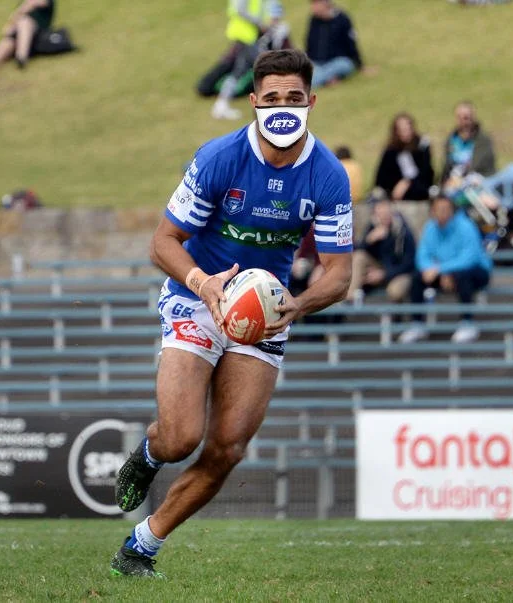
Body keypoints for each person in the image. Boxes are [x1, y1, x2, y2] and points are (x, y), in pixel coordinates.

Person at [110, 49, 354, 578]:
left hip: (265, 314)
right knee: (180, 437)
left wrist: (300, 303)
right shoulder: (220, 157)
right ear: (253, 103)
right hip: (197, 296)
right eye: (272, 99)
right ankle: (150, 454)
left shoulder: (328, 175)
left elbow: (339, 273)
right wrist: (203, 284)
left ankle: (140, 548)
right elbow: (163, 241)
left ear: (312, 102)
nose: (283, 107)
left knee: (228, 447)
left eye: (294, 98)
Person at [399, 195, 492, 344]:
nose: (442, 212)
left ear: (452, 210)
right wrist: (433, 270)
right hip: (444, 271)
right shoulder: (430, 227)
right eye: (438, 209)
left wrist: (440, 269)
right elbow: (423, 255)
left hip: (476, 271)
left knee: (463, 276)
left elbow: (470, 258)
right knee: (417, 277)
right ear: (432, 212)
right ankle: (417, 324)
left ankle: (467, 324)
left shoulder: (466, 226)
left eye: (446, 209)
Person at [202, 0, 290, 120]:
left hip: (250, 37)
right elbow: (241, 10)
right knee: (265, 69)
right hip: (246, 36)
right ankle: (274, 105)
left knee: (239, 71)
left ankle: (221, 104)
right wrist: (261, 24)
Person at [350, 196, 417, 303]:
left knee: (395, 291)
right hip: (378, 268)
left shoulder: (402, 230)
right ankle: (349, 299)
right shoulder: (373, 226)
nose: (383, 215)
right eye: (380, 212)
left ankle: (395, 317)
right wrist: (369, 240)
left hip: (399, 273)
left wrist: (384, 274)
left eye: (386, 211)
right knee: (358, 257)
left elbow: (408, 263)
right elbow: (358, 251)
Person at [0, 0, 55, 76]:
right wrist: (11, 26)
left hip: (36, 35)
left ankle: (21, 56)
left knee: (24, 22)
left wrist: (17, 15)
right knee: (7, 44)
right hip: (19, 34)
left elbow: (32, 4)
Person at [375, 113, 434, 202]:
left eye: (407, 129)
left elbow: (427, 173)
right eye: (401, 130)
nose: (405, 133)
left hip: (419, 190)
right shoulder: (391, 151)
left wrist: (407, 182)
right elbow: (381, 178)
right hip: (394, 195)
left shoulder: (421, 147)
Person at [306, 0, 363, 88]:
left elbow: (351, 44)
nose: (313, 7)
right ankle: (328, 79)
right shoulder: (314, 20)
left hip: (337, 61)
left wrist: (360, 66)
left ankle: (315, 81)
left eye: (316, 4)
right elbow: (309, 42)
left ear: (325, 3)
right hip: (317, 63)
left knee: (345, 65)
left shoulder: (342, 19)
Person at [441, 101, 496, 182]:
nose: (464, 122)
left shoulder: (483, 140)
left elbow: (480, 167)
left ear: (473, 118)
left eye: (467, 118)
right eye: (460, 118)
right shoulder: (451, 140)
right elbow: (446, 168)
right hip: (454, 183)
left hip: (479, 181)